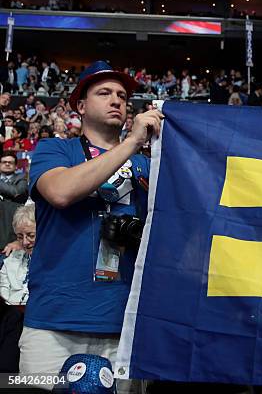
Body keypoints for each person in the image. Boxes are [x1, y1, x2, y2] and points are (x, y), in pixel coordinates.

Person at [18, 60, 162, 391]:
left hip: (123, 325)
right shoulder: (55, 149)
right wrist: (131, 143)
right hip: (53, 326)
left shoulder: (147, 165)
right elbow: (61, 192)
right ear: (81, 106)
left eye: (123, 96)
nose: (117, 100)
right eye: (104, 93)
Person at [0, 204, 35, 305]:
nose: (25, 242)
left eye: (31, 236)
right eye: (20, 237)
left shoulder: (56, 262)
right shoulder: (10, 260)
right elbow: (4, 294)